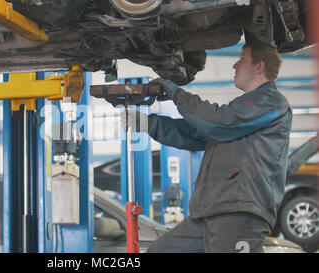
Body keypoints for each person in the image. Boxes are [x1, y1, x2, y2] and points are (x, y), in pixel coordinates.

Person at [121, 42, 292, 253]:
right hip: (209, 213)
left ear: (259, 67)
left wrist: (178, 95)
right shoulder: (243, 111)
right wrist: (149, 124)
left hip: (239, 213)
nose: (234, 65)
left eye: (242, 59)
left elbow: (220, 121)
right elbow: (195, 133)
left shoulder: (270, 102)